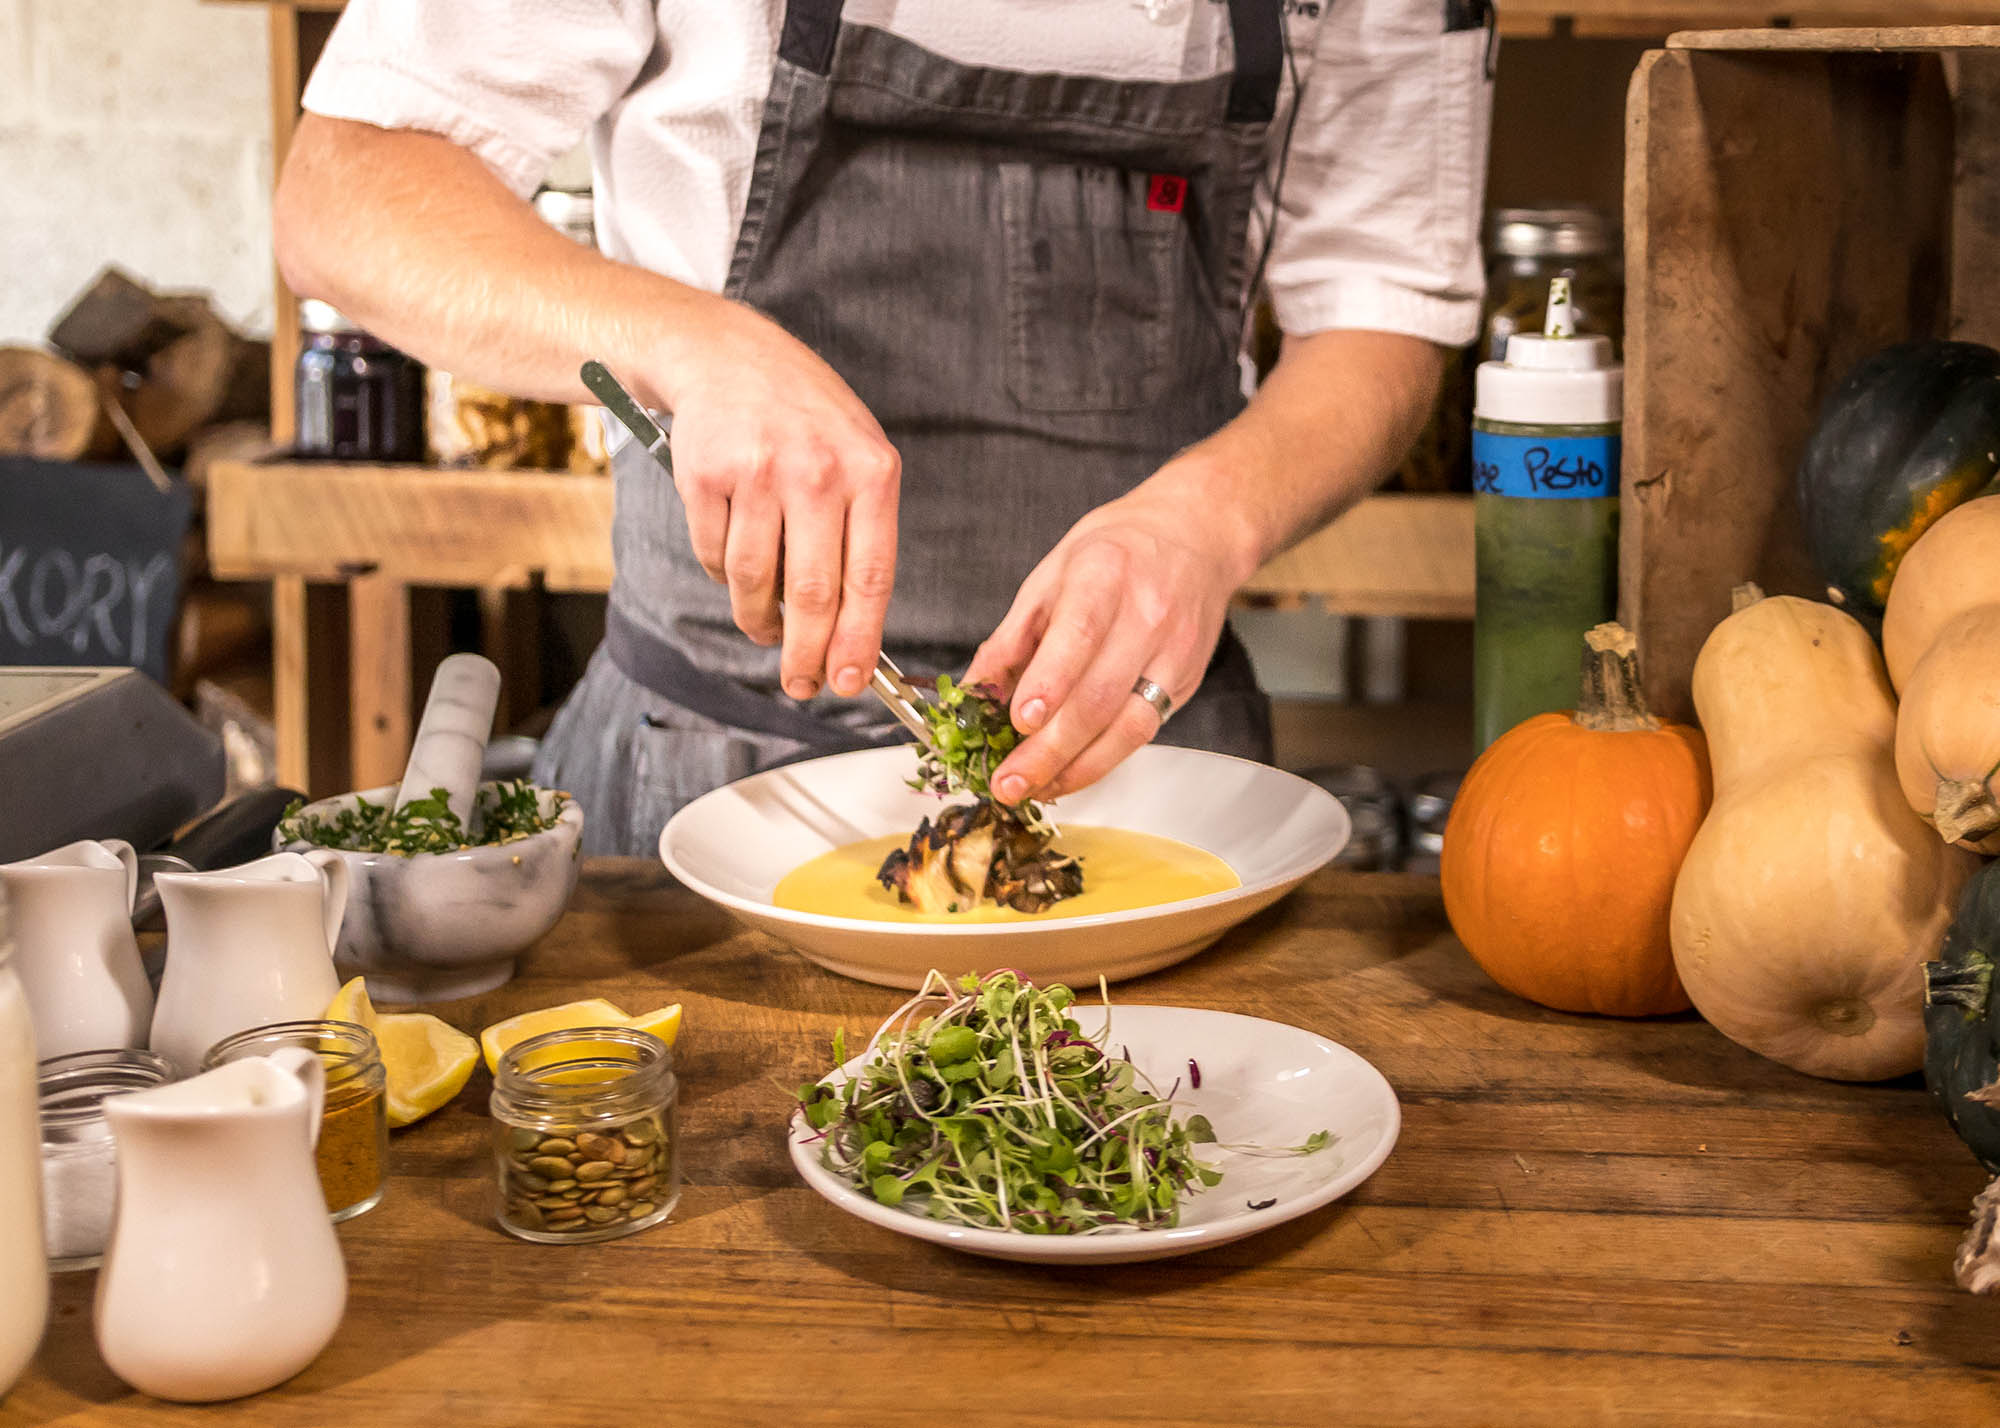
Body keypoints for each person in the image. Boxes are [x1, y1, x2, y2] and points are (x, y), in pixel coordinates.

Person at [275, 0, 1493, 855]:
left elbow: (1385, 311)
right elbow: (344, 193)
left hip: (1145, 777)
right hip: (702, 771)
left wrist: (1209, 520)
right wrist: (695, 345)